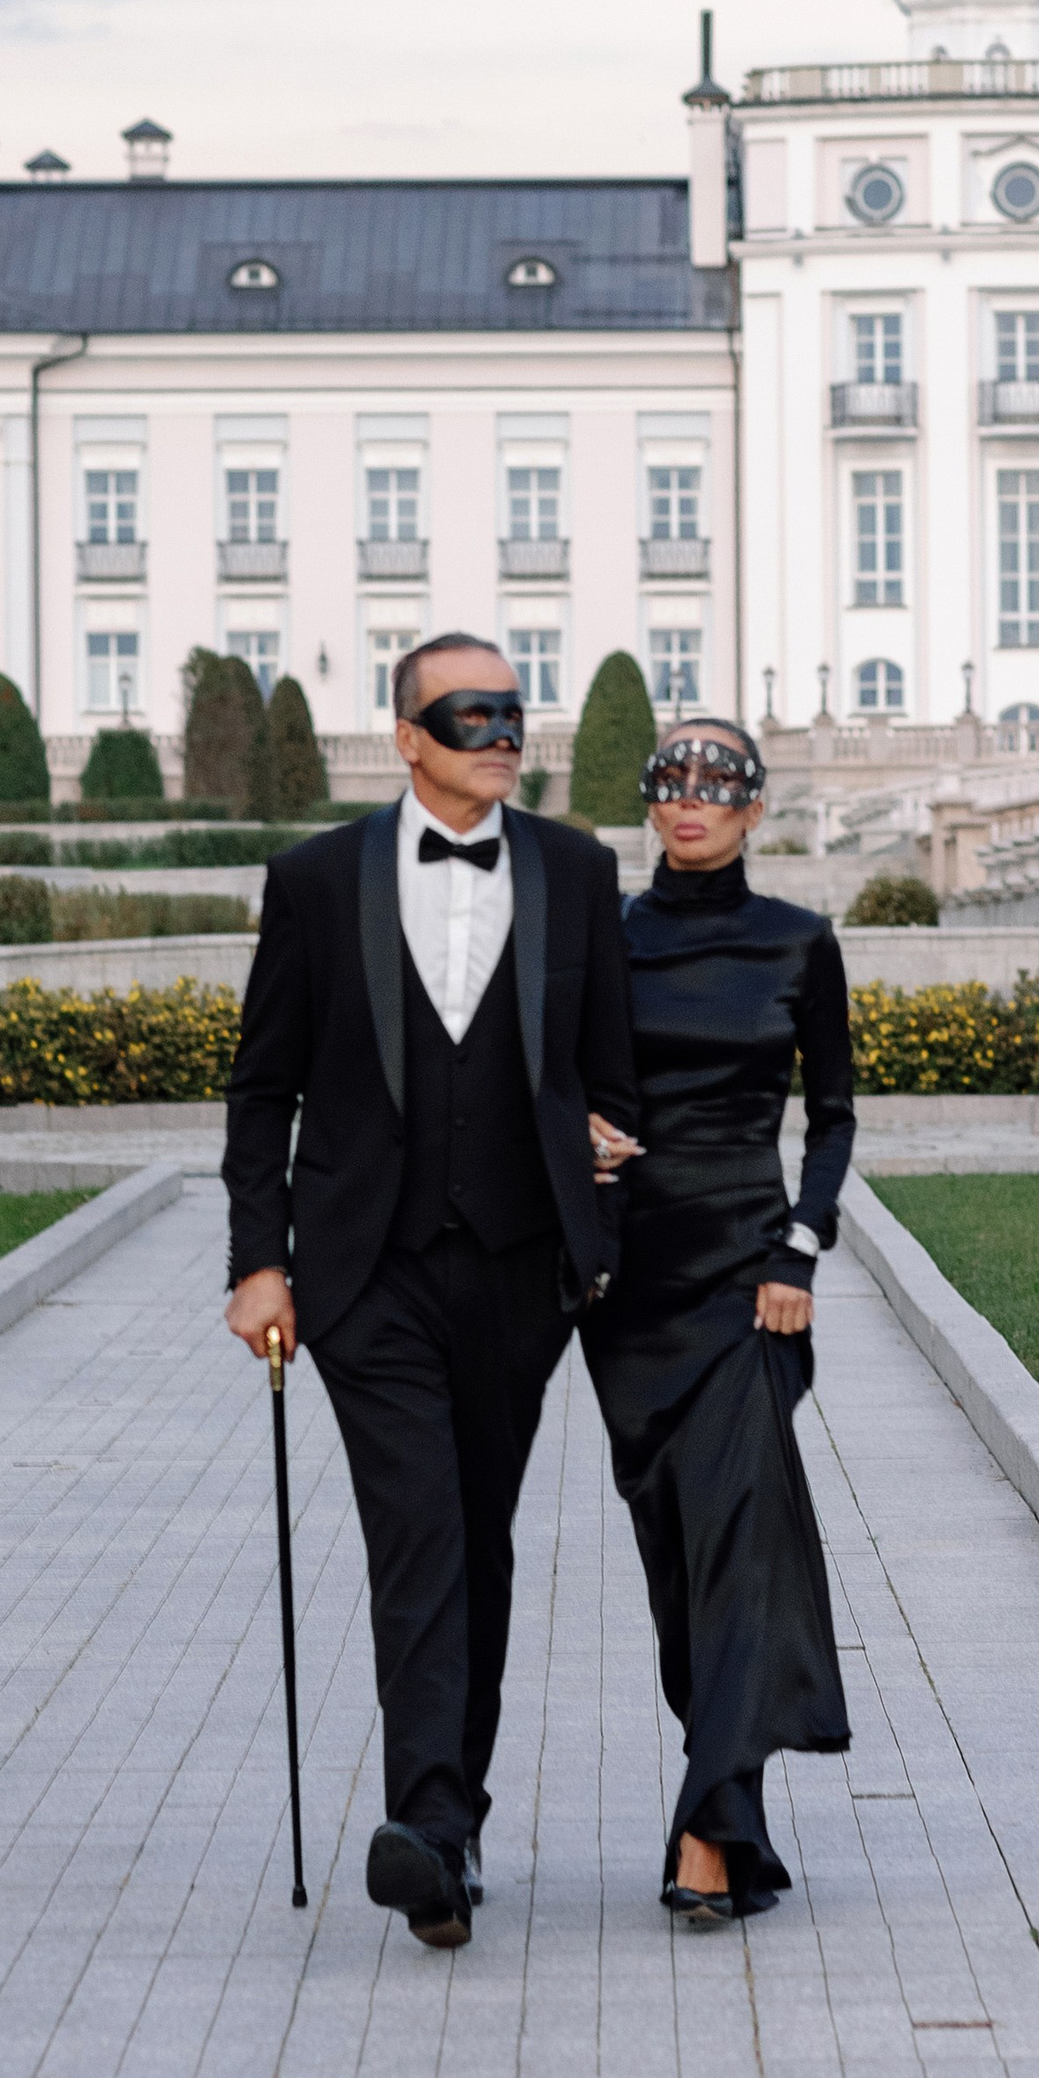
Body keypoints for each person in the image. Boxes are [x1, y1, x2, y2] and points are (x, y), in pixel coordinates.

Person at [222, 631, 643, 1951]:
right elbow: (262, 1090)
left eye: (515, 713)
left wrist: (602, 1141)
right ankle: (432, 1826)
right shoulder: (313, 881)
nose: (502, 735)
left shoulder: (576, 872)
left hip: (522, 1271)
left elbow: (606, 1069)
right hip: (364, 1274)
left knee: (483, 1534)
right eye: (472, 716)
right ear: (408, 738)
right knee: (418, 1530)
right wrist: (256, 1260)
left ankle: (448, 1814)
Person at [583, 713, 854, 1925]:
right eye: (671, 782)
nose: (691, 799)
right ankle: (733, 1816)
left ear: (754, 808)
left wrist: (801, 1241)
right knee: (675, 1562)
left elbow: (833, 1116)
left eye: (718, 782)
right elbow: (544, 1075)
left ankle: (706, 1833)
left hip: (751, 1279)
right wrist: (571, 1131)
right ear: (649, 803)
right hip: (627, 1288)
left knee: (743, 1551)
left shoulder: (799, 942)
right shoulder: (601, 935)